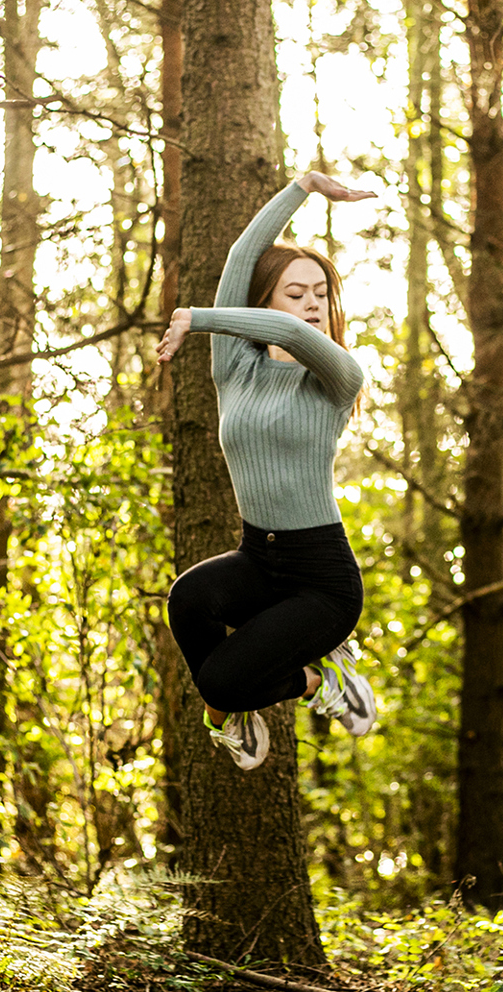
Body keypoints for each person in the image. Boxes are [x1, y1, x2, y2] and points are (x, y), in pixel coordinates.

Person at [156, 171, 379, 770]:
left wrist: (196, 317)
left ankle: (316, 681)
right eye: (294, 292)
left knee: (219, 687)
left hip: (322, 580)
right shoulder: (236, 368)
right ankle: (261, 689)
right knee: (187, 600)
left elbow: (282, 333)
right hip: (259, 557)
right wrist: (304, 186)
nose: (311, 303)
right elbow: (241, 254)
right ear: (262, 302)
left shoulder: (338, 376)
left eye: (320, 293)